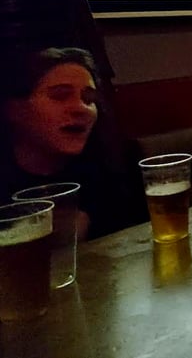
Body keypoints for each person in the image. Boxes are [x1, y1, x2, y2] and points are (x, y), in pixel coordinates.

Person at [0, 47, 139, 240]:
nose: (81, 108)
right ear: (13, 110)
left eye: (89, 99)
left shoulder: (108, 170)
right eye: (60, 95)